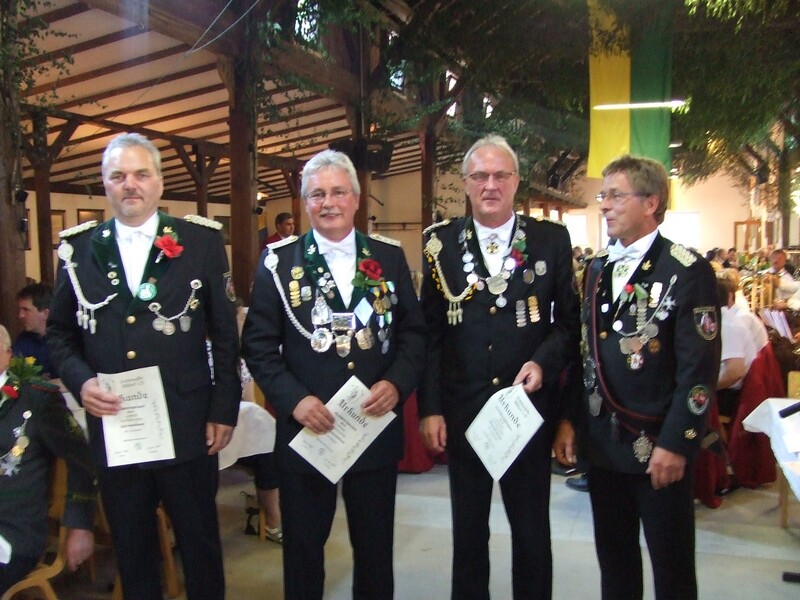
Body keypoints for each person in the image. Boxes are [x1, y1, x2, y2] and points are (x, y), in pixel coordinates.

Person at [47, 133, 240, 600]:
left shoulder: (200, 241)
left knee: (200, 549)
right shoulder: (78, 250)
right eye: (118, 176)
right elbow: (59, 335)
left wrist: (224, 408)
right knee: (134, 555)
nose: (129, 184)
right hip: (118, 429)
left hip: (187, 425)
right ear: (105, 184)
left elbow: (225, 334)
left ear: (159, 181)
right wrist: (81, 382)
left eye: (140, 174)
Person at [241, 149, 426, 600]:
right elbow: (258, 347)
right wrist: (294, 400)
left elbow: (414, 335)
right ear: (305, 202)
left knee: (375, 550)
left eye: (338, 192)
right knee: (303, 551)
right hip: (309, 431)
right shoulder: (278, 263)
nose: (328, 202)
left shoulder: (388, 256)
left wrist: (396, 384)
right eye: (317, 194)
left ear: (356, 199)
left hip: (371, 426)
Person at [418, 134, 580, 600]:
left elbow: (568, 325)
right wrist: (430, 408)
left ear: (516, 181)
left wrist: (543, 363)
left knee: (531, 533)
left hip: (525, 412)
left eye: (500, 175)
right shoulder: (439, 243)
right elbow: (430, 334)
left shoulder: (550, 239)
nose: (490, 185)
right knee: (468, 533)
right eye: (480, 176)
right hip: (463, 412)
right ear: (466, 183)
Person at [554, 155, 721, 600]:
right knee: (615, 565)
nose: (604, 205)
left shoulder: (686, 269)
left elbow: (699, 371)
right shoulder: (597, 268)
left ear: (651, 202)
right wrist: (570, 420)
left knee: (672, 569)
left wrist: (677, 443)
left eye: (615, 195)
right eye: (602, 195)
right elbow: (585, 356)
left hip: (657, 445)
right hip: (602, 446)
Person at [0, 324, 95, 594]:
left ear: (7, 354)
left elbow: (81, 460)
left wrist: (80, 525)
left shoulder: (36, 399)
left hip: (12, 533)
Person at [12, 283, 57, 379]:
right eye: (20, 310)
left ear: (45, 313)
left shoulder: (64, 341)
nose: (20, 315)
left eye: (26, 310)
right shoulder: (23, 339)